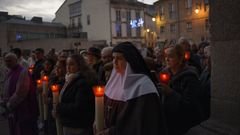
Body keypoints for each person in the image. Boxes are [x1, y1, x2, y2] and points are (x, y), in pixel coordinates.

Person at [97, 42, 165, 135]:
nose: (115, 62)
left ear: (130, 61)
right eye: (113, 58)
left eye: (119, 58)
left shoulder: (143, 86)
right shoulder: (112, 82)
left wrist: (111, 132)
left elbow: (142, 125)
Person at [160, 45, 202, 135]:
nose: (167, 59)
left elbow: (189, 104)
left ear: (180, 58)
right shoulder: (165, 73)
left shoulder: (190, 77)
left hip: (184, 123)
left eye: (170, 56)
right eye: (165, 56)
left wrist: (171, 93)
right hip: (169, 120)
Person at [56, 54, 96, 135]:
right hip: (70, 123)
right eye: (67, 64)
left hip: (78, 126)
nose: (68, 67)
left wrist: (59, 107)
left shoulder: (82, 83)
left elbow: (79, 107)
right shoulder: (69, 79)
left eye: (71, 64)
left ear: (80, 65)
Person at [1, 53, 38, 135]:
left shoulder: (23, 72)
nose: (7, 63)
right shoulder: (10, 71)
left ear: (16, 60)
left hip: (23, 110)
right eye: (6, 61)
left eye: (10, 61)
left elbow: (21, 93)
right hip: (13, 110)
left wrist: (9, 104)